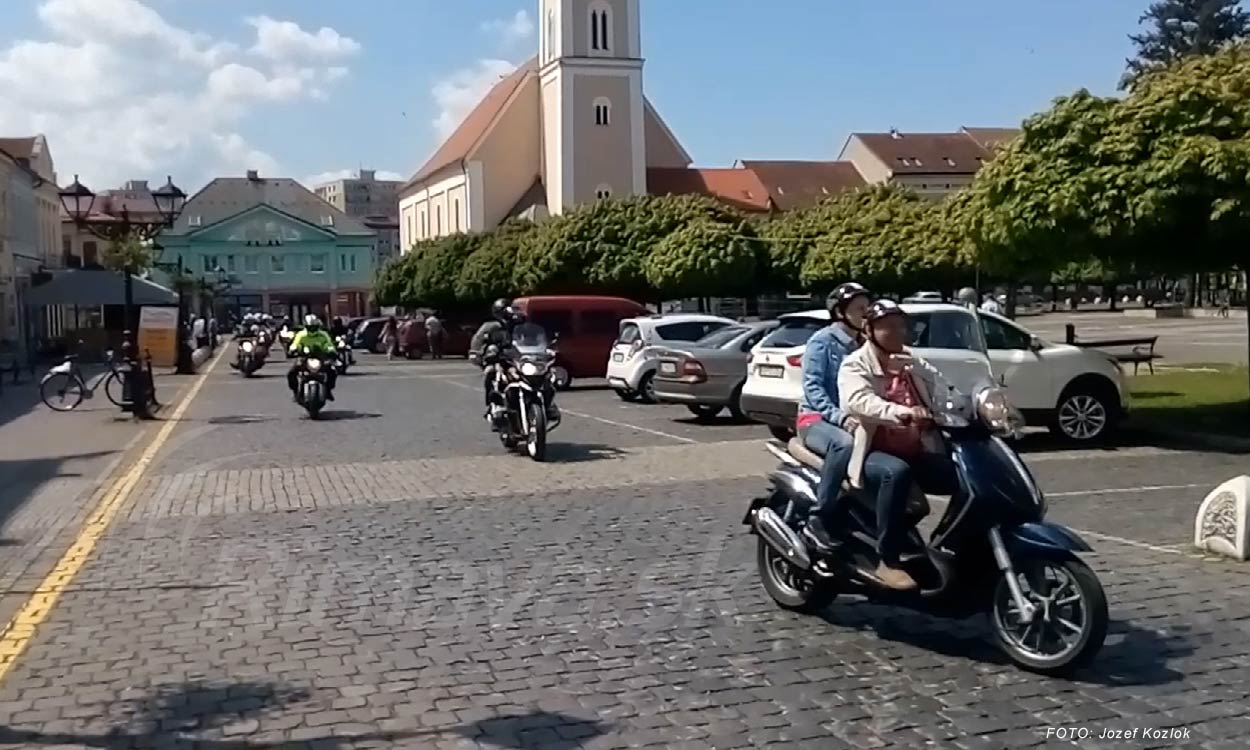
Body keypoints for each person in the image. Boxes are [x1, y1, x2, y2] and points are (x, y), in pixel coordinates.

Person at [839, 299, 961, 591]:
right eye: (887, 327)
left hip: (915, 447)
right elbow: (858, 401)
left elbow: (945, 388)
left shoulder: (910, 360)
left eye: (900, 326)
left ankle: (956, 544)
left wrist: (967, 406)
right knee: (896, 473)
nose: (896, 333)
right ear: (868, 331)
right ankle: (887, 560)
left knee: (962, 474)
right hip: (874, 450)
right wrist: (901, 412)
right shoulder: (855, 364)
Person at [796, 282, 871, 555]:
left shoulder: (865, 344)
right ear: (840, 312)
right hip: (815, 419)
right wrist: (838, 417)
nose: (866, 314)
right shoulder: (822, 341)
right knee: (844, 444)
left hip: (854, 420)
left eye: (868, 308)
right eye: (859, 309)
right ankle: (818, 517)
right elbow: (813, 388)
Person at [287, 315, 338, 401]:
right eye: (310, 327)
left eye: (314, 327)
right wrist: (292, 350)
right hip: (304, 358)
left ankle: (328, 391)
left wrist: (331, 351)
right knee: (291, 373)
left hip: (320, 357)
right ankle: (295, 392)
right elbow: (295, 344)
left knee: (332, 371)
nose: (312, 330)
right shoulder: (301, 335)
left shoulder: (323, 335)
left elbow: (329, 344)